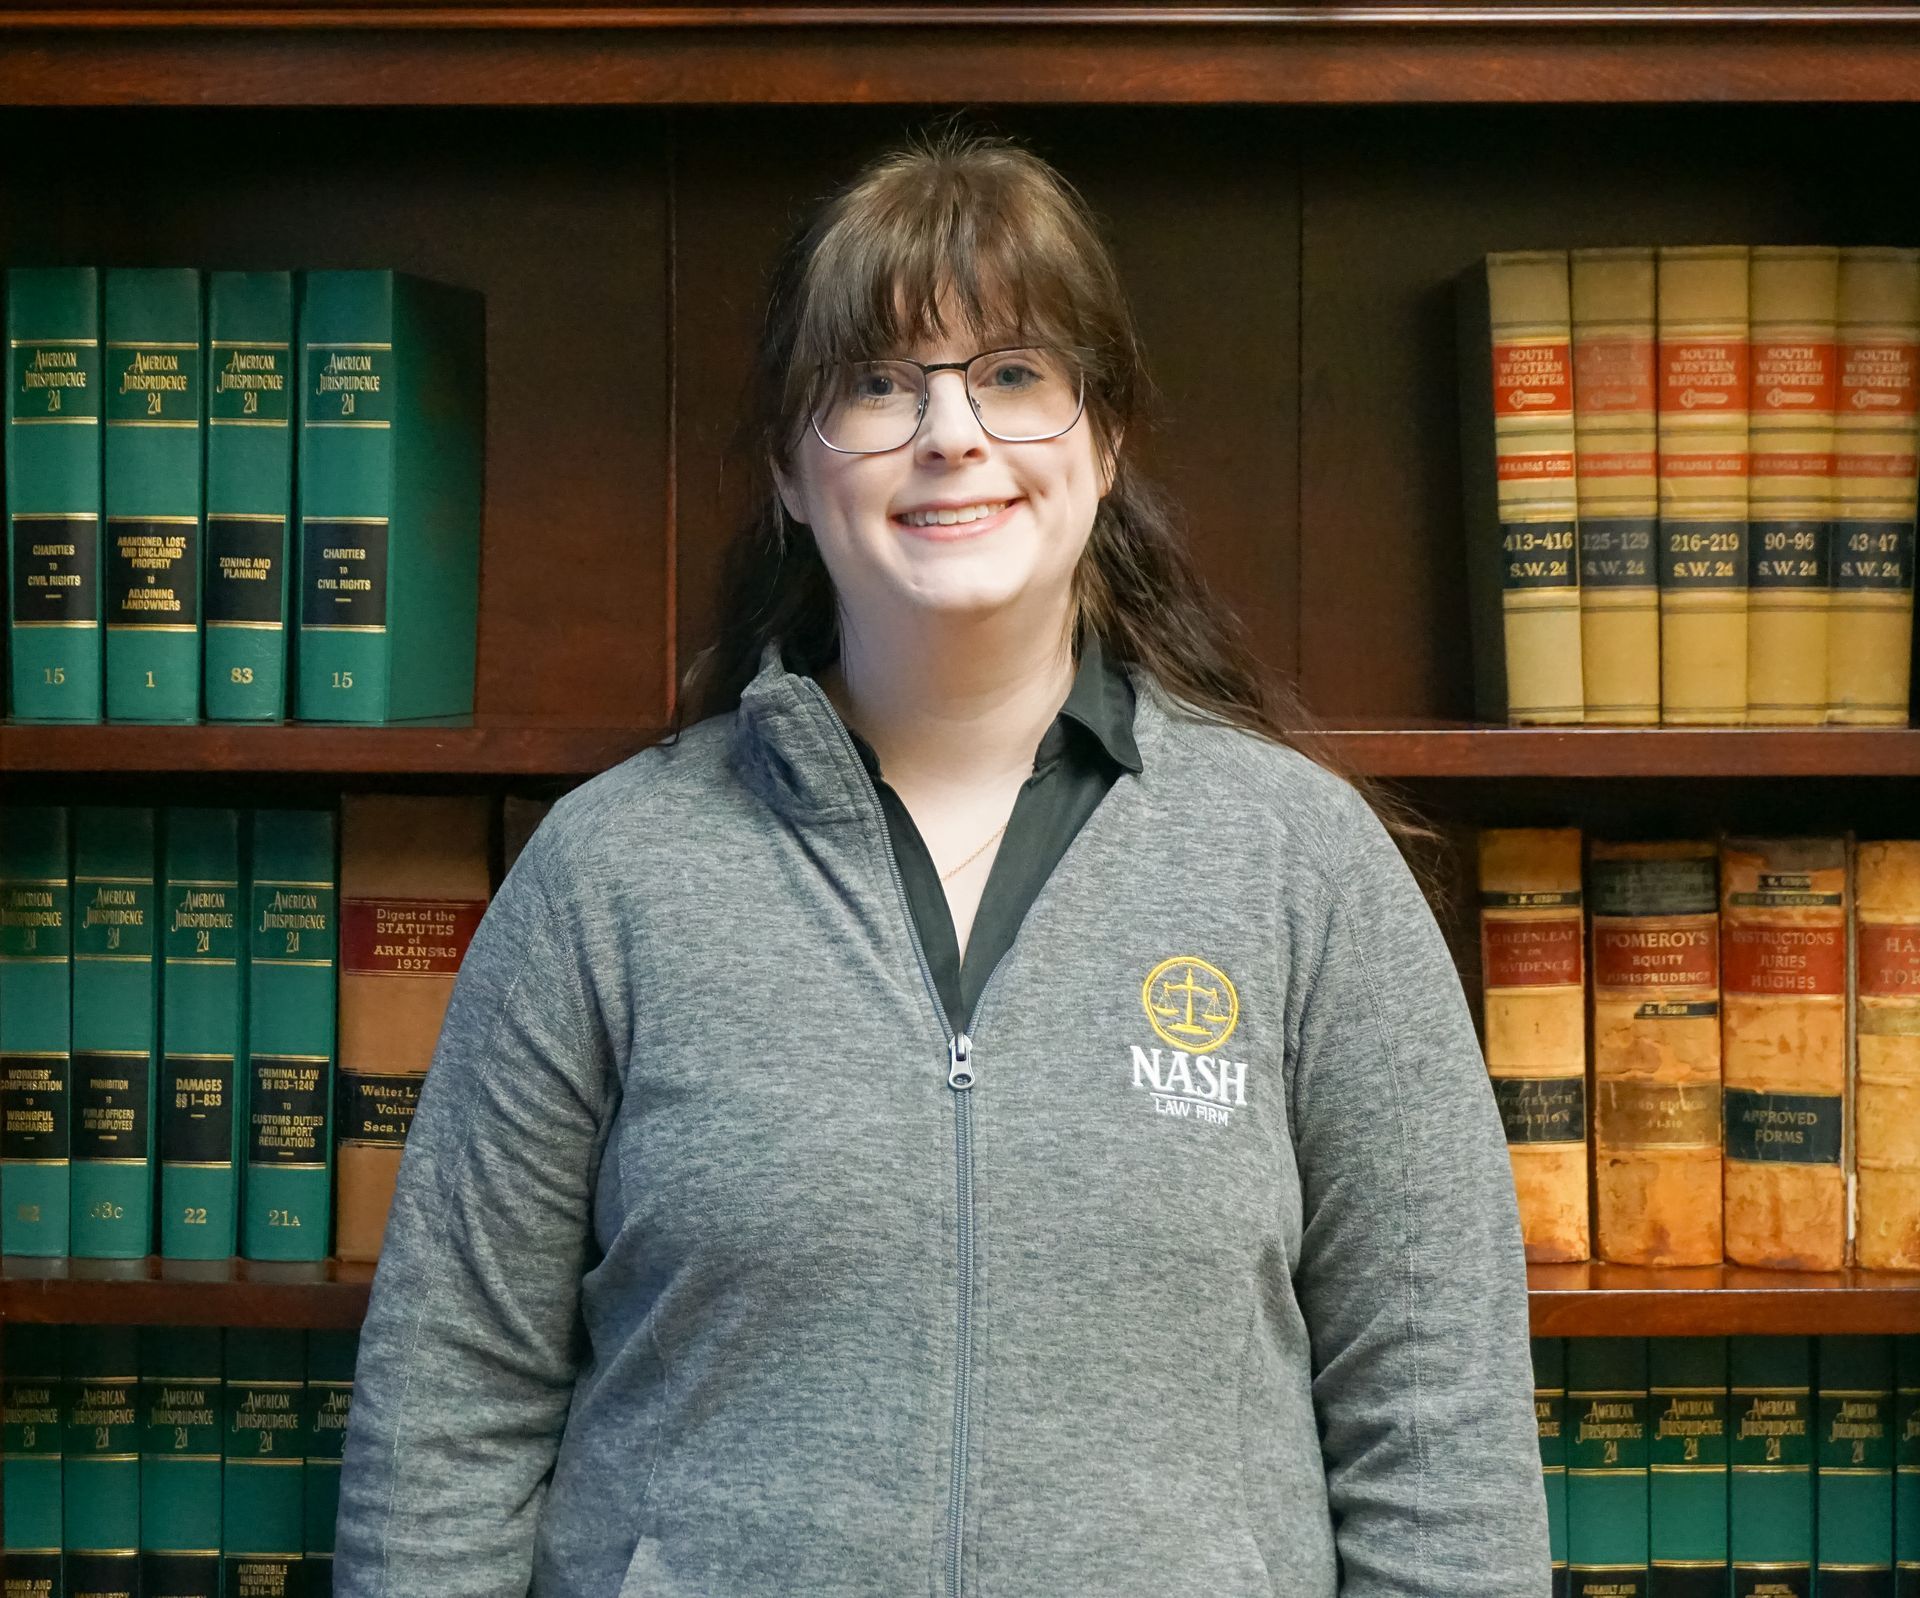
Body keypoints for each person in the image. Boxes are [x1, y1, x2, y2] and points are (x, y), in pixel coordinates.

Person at [334, 127, 1547, 1598]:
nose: (949, 434)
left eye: (1015, 375)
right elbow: (446, 1416)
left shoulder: (1303, 869)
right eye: (874, 384)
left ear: (1104, 443)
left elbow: (1443, 1446)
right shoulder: (610, 876)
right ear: (791, 470)